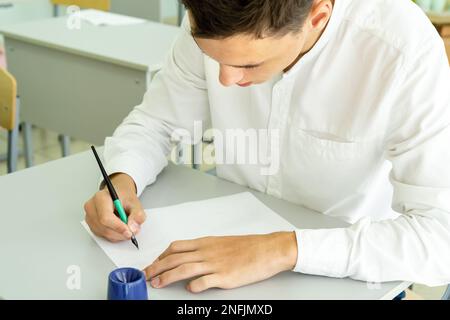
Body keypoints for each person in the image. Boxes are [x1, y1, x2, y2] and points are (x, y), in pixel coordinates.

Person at [84, 0, 450, 294]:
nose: (225, 79)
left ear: (317, 16)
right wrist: (122, 177)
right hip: (224, 273)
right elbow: (157, 121)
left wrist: (281, 249)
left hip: (351, 277)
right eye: (214, 59)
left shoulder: (402, 50)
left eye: (249, 64)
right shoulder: (214, 16)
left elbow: (439, 236)